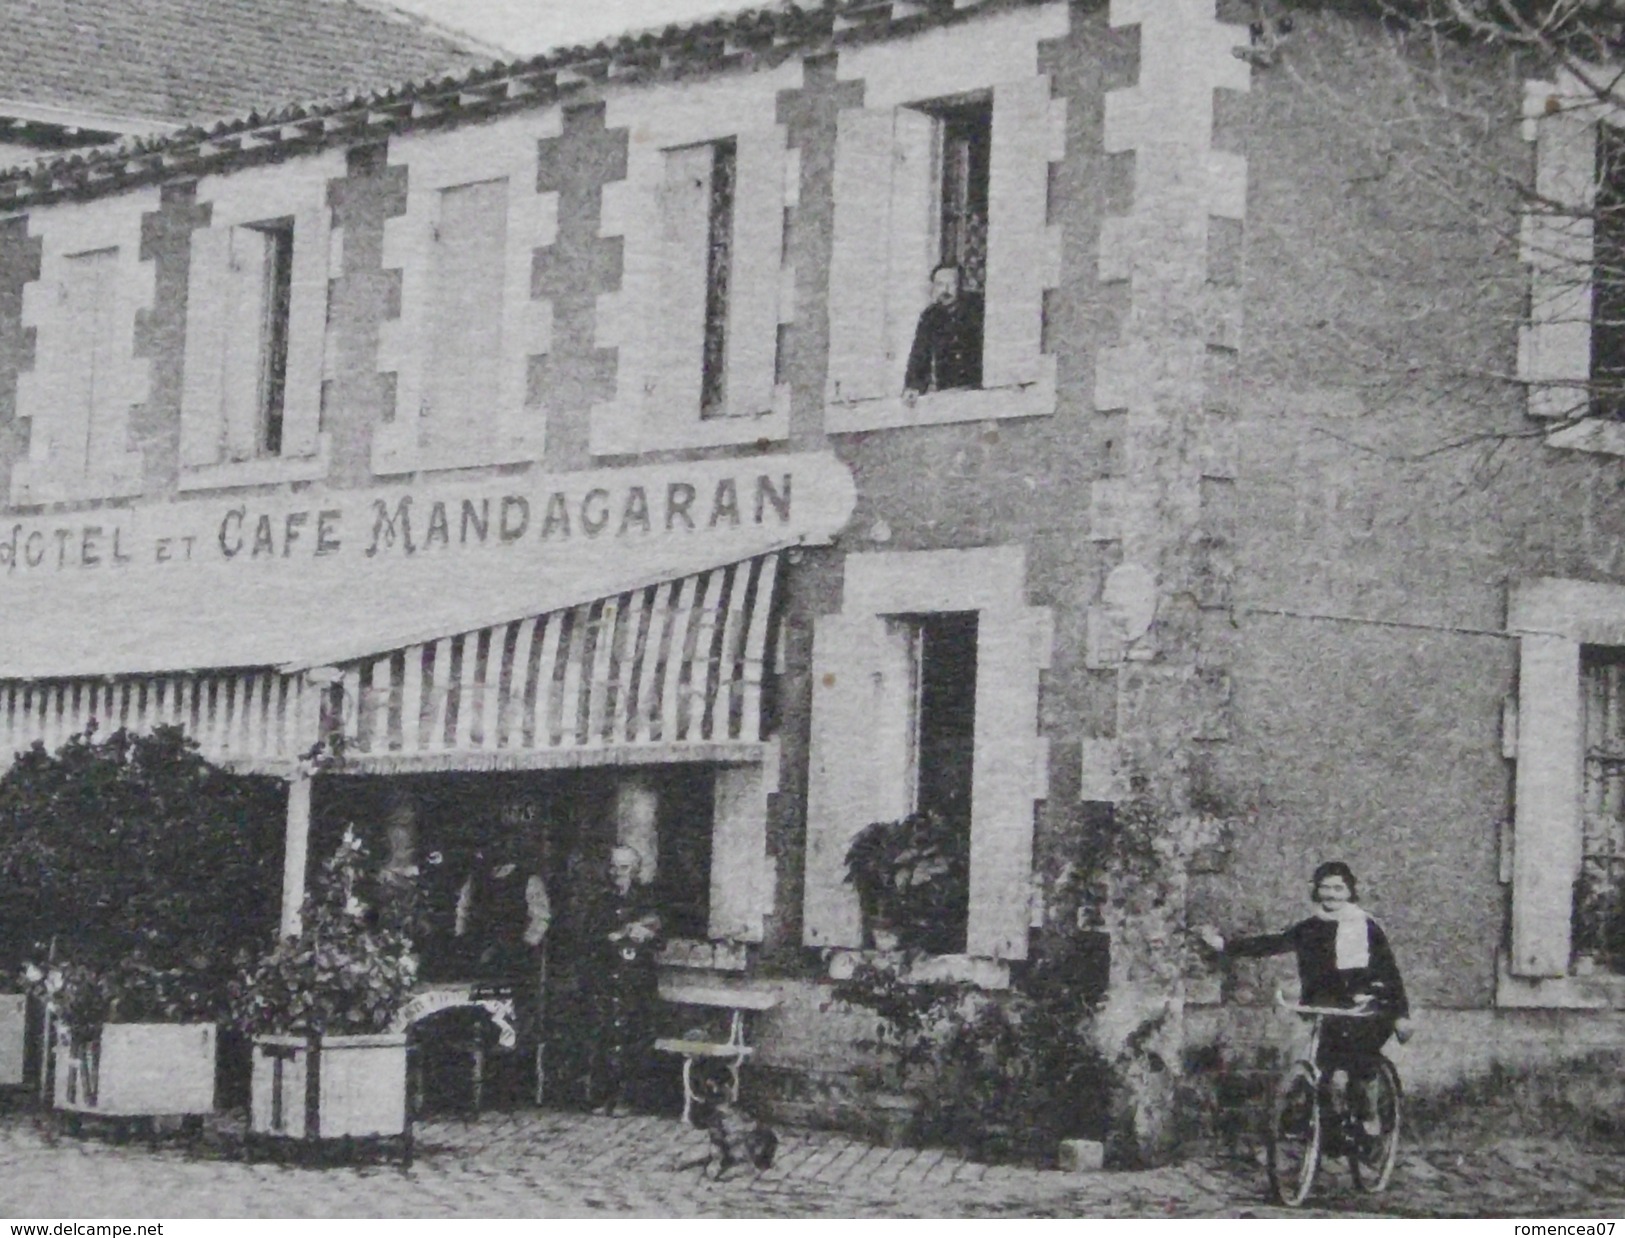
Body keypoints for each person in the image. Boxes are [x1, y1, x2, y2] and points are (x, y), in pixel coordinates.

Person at [1198, 861, 1413, 1136]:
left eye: (1338, 888)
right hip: (1328, 1007)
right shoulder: (1310, 927)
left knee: (1360, 1061)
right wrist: (1225, 946)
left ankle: (1369, 1114)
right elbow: (1272, 943)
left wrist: (1401, 1014)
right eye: (1325, 888)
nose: (1331, 895)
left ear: (1349, 892)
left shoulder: (1366, 927)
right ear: (1316, 891)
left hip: (1367, 1007)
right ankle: (1328, 1128)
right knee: (1322, 1067)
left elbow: (1389, 971)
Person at [584, 844, 663, 1116]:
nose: (618, 873)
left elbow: (660, 937)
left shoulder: (647, 901)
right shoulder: (600, 901)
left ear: (636, 870)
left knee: (634, 1036)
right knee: (603, 1035)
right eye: (614, 867)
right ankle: (601, 1095)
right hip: (606, 977)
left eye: (624, 867)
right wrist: (612, 937)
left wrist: (647, 933)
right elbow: (587, 937)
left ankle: (627, 1098)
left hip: (636, 979)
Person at [903, 263, 984, 403]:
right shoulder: (931, 317)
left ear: (961, 285)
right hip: (948, 391)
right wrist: (913, 386)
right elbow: (920, 353)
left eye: (951, 284)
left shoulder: (977, 309)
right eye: (940, 285)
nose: (945, 290)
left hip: (979, 389)